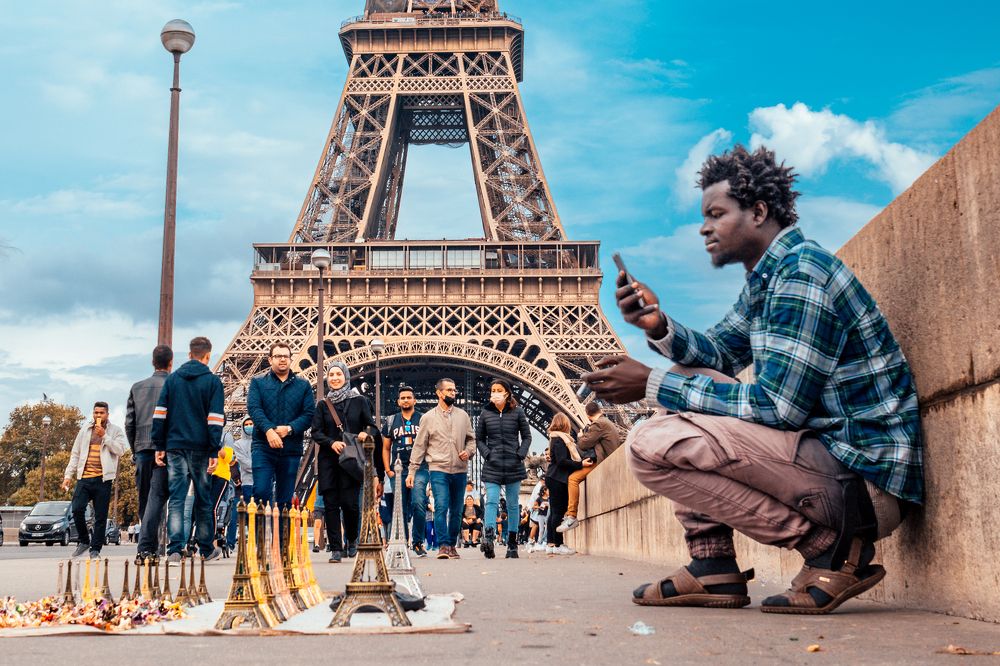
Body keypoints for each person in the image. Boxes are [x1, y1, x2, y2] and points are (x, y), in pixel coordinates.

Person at [584, 145, 922, 613]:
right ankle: (713, 565)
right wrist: (658, 326)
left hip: (861, 484)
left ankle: (830, 547)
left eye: (716, 214)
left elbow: (779, 408)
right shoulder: (770, 277)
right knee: (682, 380)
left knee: (647, 443)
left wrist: (649, 383)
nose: (704, 227)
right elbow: (720, 352)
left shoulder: (802, 274)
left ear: (759, 211)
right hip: (831, 467)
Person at [151, 336, 225, 562]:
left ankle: (174, 549)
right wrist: (214, 450)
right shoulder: (213, 383)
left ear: (190, 354)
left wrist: (159, 444)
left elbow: (160, 414)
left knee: (177, 499)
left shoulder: (173, 380)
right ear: (208, 356)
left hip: (175, 446)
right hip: (202, 448)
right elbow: (215, 420)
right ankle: (206, 548)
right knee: (203, 499)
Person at [310, 361, 380, 563]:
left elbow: (373, 428)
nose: (334, 378)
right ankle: (336, 548)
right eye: (331, 374)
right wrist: (331, 443)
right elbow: (316, 431)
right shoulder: (323, 404)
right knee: (331, 505)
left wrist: (364, 434)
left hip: (351, 461)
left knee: (350, 505)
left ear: (346, 377)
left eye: (338, 374)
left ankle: (351, 538)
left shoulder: (360, 401)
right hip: (329, 461)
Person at [406, 377, 476, 560]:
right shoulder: (427, 418)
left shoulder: (463, 416)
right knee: (441, 506)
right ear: (439, 393)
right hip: (438, 469)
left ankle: (452, 544)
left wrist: (468, 452)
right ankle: (443, 545)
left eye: (454, 390)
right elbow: (419, 446)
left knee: (457, 510)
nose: (453, 393)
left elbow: (471, 440)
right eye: (449, 390)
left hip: (460, 470)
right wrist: (412, 471)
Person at [246, 341, 315, 508]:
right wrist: (269, 430)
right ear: (270, 360)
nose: (282, 359)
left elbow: (309, 414)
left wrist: (289, 429)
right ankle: (260, 533)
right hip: (263, 445)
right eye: (278, 356)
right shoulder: (258, 382)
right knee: (261, 491)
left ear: (291, 359)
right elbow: (254, 408)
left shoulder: (303, 385)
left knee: (285, 500)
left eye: (286, 356)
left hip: (290, 448)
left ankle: (283, 534)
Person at [62, 402, 128, 559]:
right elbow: (75, 454)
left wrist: (104, 435)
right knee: (77, 509)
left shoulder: (115, 431)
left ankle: (95, 549)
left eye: (101, 413)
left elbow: (121, 450)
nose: (98, 416)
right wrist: (67, 476)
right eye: (96, 413)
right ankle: (84, 541)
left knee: (100, 516)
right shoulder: (85, 430)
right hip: (84, 477)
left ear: (107, 415)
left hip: (103, 479)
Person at [475, 377, 531, 559]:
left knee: (513, 505)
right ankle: (489, 538)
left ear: (506, 393)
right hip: (493, 464)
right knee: (491, 500)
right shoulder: (485, 413)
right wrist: (487, 454)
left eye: (499, 390)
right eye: (493, 390)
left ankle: (512, 544)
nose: (495, 393)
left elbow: (527, 437)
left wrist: (520, 454)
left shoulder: (518, 412)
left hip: (513, 464)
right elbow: (479, 439)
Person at [125, 345, 173, 530]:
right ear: (171, 363)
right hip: (168, 449)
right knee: (165, 497)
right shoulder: (175, 385)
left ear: (153, 362)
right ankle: (163, 539)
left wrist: (134, 449)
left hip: (143, 448)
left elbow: (130, 423)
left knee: (145, 497)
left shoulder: (137, 387)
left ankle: (147, 543)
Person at [557, 402, 622, 533]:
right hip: (608, 459)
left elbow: (583, 444)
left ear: (587, 415)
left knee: (572, 479)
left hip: (601, 461)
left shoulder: (599, 424)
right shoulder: (606, 422)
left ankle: (571, 516)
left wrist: (581, 436)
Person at [381, 385, 428, 557]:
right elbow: (386, 448)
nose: (406, 400)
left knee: (418, 504)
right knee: (399, 509)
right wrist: (388, 469)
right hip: (398, 470)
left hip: (420, 468)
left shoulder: (423, 419)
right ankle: (401, 544)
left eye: (409, 397)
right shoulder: (391, 421)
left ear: (414, 400)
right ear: (398, 401)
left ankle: (417, 542)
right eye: (403, 398)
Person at [544, 413, 592, 555]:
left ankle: (552, 543)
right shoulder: (560, 439)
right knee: (558, 512)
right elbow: (562, 461)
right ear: (565, 424)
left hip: (553, 477)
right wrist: (580, 464)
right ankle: (558, 544)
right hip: (558, 478)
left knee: (554, 512)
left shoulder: (555, 438)